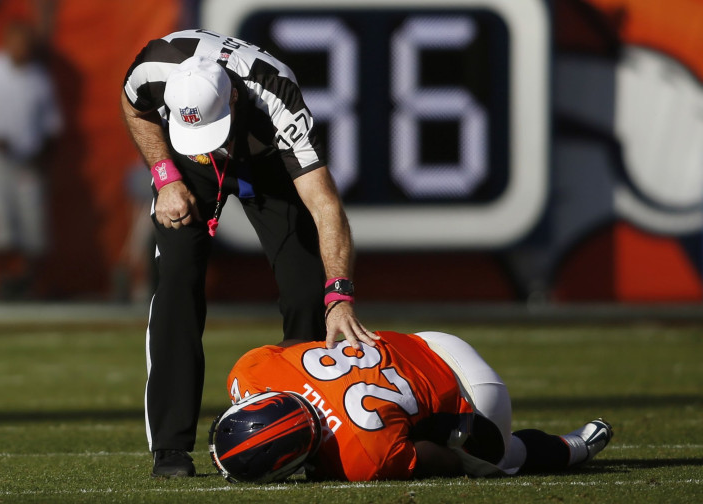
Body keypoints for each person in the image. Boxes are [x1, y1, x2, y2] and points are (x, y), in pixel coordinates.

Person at [120, 29, 377, 477]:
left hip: (264, 164)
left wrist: (340, 294)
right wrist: (165, 175)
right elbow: (134, 109)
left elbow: (325, 205)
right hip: (189, 167)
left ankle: (307, 427)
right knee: (177, 279)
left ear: (234, 99)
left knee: (304, 288)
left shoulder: (278, 98)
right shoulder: (152, 69)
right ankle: (170, 447)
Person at [210, 330, 614, 481]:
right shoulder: (252, 371)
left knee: (492, 460)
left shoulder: (359, 460)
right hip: (426, 340)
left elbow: (443, 459)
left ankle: (572, 447)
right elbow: (296, 346)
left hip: (477, 393)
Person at [0, 19, 62, 299]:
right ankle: (1, 281)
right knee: (2, 223)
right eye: (18, 42)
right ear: (6, 42)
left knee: (34, 225)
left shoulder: (39, 77)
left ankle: (29, 285)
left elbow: (51, 125)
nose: (23, 49)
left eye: (27, 43)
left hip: (28, 162)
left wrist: (43, 159)